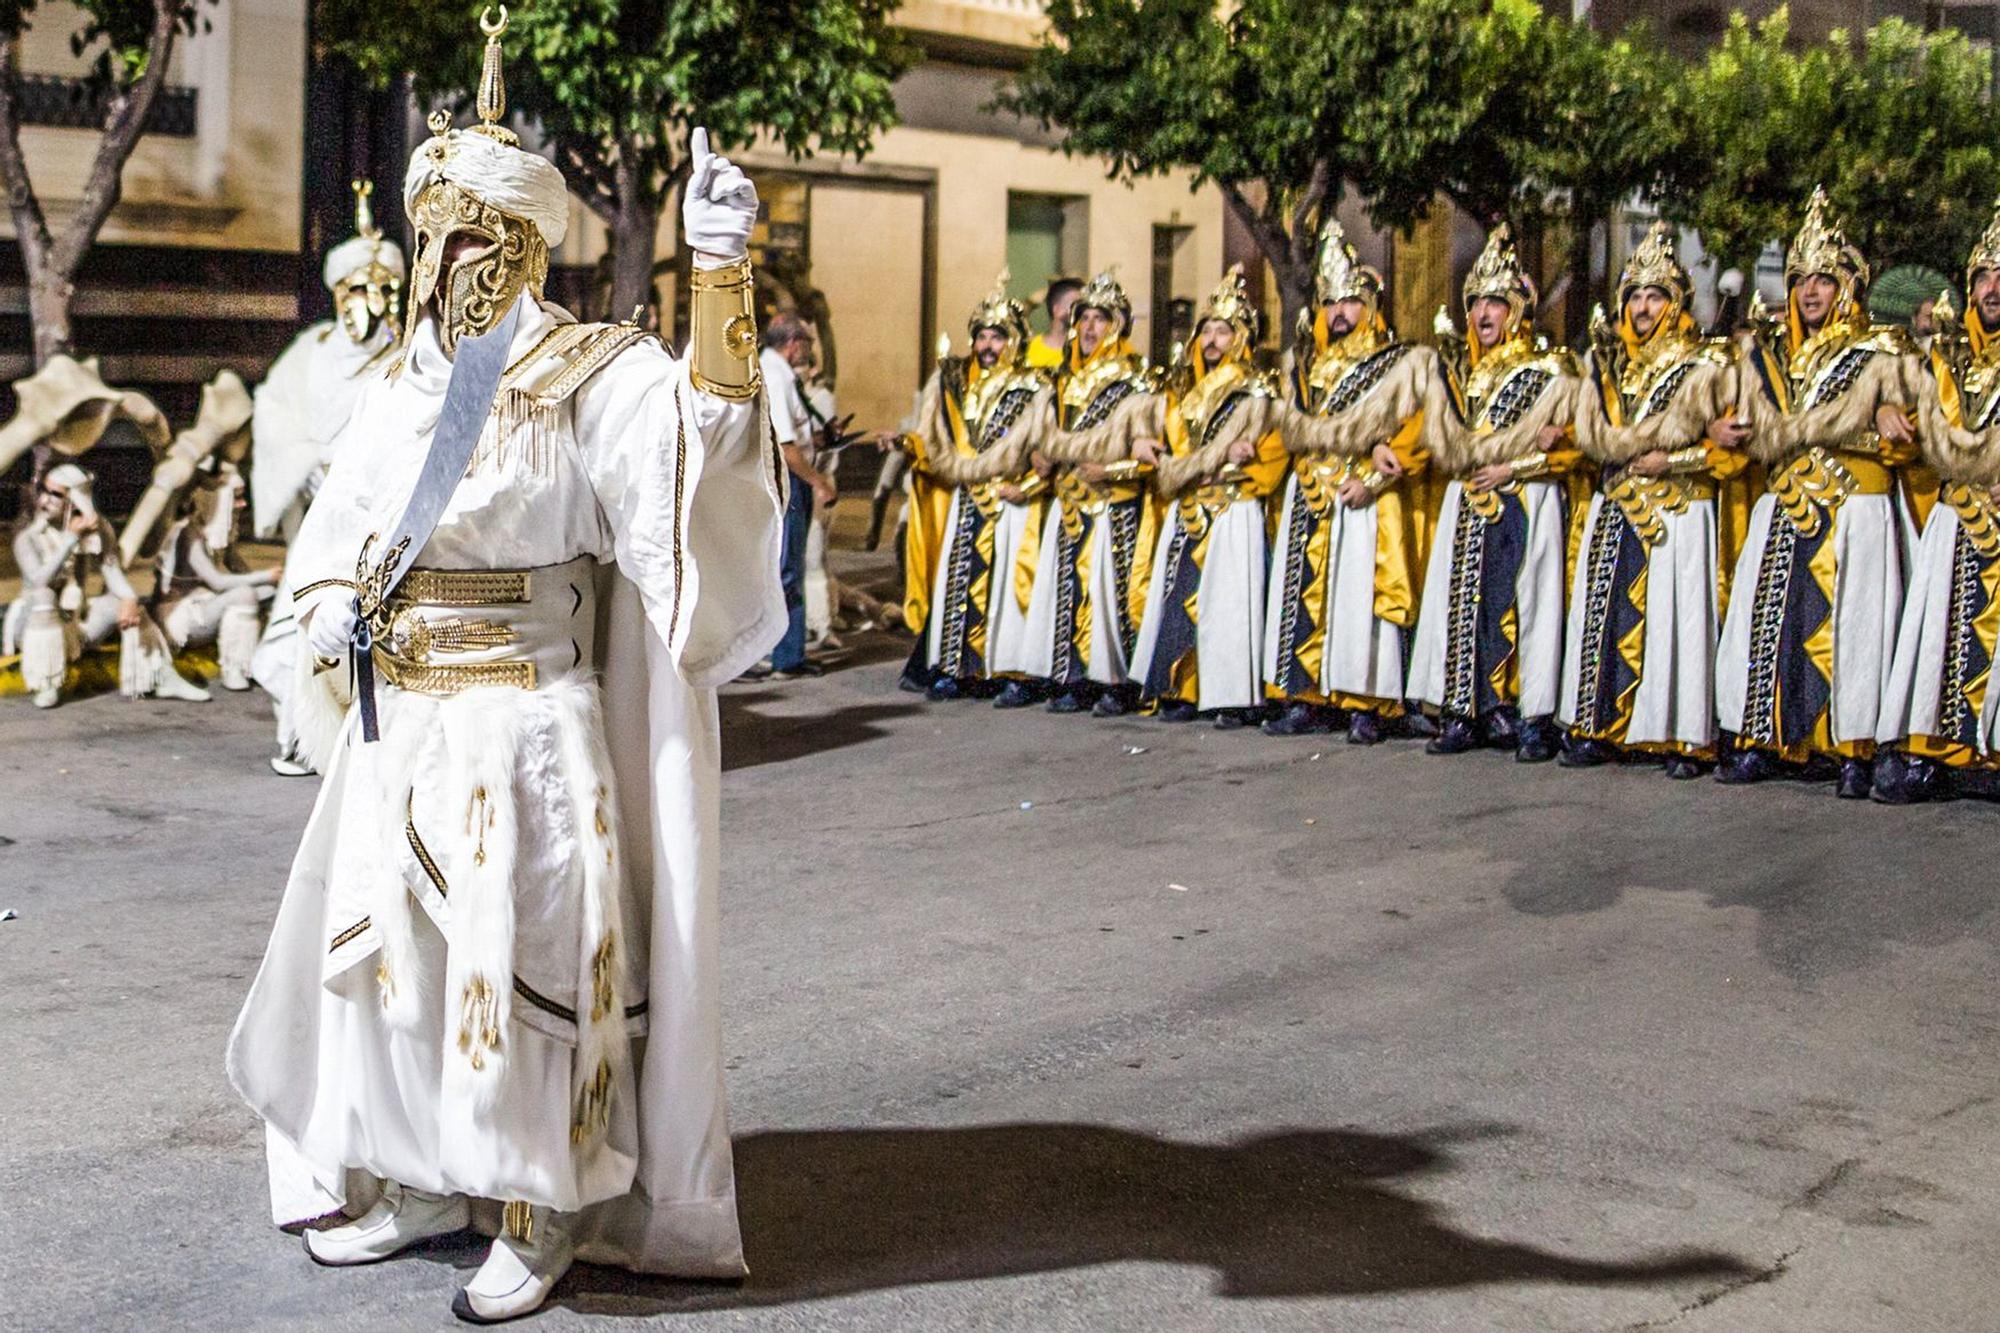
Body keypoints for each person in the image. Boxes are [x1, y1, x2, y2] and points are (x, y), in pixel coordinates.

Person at [225, 13, 783, 1322]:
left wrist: (719, 282)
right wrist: (311, 615)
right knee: (391, 968)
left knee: (518, 975)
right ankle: (422, 1176)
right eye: (438, 230)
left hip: (530, 725)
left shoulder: (598, 372)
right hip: (402, 721)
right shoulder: (405, 385)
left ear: (524, 241)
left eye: (474, 229)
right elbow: (342, 527)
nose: (449, 252)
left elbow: (698, 472)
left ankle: (539, 1205)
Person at [1715, 186, 1924, 798]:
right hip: (1784, 502)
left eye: (1824, 280)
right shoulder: (1768, 355)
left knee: (1855, 629)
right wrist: (1714, 431)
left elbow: (1912, 428)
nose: (1810, 292)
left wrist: (1887, 414)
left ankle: (1854, 748)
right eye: (1802, 279)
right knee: (1768, 620)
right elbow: (1740, 430)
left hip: (1856, 508)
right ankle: (1763, 739)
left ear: (1848, 289)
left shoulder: (1881, 350)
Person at [1558, 222, 1753, 779]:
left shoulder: (1708, 367)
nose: (1643, 307)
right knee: (1605, 615)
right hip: (1617, 503)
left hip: (1678, 510)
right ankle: (1601, 726)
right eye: (1635, 296)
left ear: (1676, 304)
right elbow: (1589, 436)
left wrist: (1677, 459)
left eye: (1654, 295)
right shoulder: (1608, 366)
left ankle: (1682, 736)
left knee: (1678, 625)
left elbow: (1736, 450)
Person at [1407, 224, 1582, 763]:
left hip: (1527, 496)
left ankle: (1532, 715)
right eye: (1476, 303)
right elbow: (1427, 436)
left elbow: (1579, 445)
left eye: (1496, 304)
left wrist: (1520, 464)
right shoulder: (1457, 371)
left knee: (1528, 604)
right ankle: (1466, 710)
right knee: (1467, 605)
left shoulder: (1551, 369)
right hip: (1467, 498)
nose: (1484, 315)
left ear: (1517, 311)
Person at [248, 180, 405, 774]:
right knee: (302, 621)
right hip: (319, 509)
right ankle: (299, 735)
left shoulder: (410, 352)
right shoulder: (310, 351)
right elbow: (275, 411)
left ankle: (360, 741)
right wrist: (309, 464)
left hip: (381, 515)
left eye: (385, 286)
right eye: (361, 287)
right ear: (340, 293)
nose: (374, 297)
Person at [1268, 221, 1444, 743]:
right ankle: (1308, 696)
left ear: (1370, 306)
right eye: (1329, 303)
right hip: (1311, 493)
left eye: (1349, 302)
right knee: (1307, 595)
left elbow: (1422, 430)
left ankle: (1368, 700)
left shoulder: (1402, 363)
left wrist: (1373, 472)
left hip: (1366, 495)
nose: (1338, 314)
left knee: (1362, 600)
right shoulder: (1304, 364)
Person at [1873, 205, 2000, 802]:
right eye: (1983, 276)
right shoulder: (1940, 361)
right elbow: (1907, 440)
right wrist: (1882, 414)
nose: (1993, 287)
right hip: (1955, 517)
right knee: (1940, 642)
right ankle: (1934, 754)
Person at [1127, 265, 1288, 727]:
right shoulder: (1185, 393)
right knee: (1180, 597)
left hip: (1233, 507)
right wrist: (1141, 445)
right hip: (1189, 504)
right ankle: (1180, 686)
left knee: (1229, 605)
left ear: (1241, 338)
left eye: (1224, 330)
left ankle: (1231, 695)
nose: (1213, 339)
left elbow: (1272, 453)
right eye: (1208, 330)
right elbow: (1162, 437)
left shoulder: (1259, 390)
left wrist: (1245, 458)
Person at [883, 274, 1056, 699]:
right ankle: (958, 667)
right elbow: (937, 439)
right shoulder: (961, 386)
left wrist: (1030, 484)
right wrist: (905, 443)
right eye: (982, 337)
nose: (988, 346)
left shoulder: (1036, 388)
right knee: (959, 582)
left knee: (1009, 591)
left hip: (1013, 503)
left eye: (998, 337)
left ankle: (1009, 672)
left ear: (1015, 340)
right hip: (968, 498)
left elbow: (1048, 451)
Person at [1018, 270, 1157, 715]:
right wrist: (1040, 456)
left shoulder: (1137, 383)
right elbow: (1044, 439)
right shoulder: (1060, 381)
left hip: (1113, 506)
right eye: (1085, 317)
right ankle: (1071, 676)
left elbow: (1150, 457)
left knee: (1109, 597)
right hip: (1069, 501)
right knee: (1066, 591)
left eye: (1101, 318)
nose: (1091, 327)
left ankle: (1115, 683)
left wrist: (1112, 467)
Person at [4, 463, 208, 708]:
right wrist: (70, 540)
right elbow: (39, 581)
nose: (45, 500)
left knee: (127, 606)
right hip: (32, 626)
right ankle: (47, 683)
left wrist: (130, 600)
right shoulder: (28, 537)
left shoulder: (97, 530)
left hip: (73, 620)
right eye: (44, 491)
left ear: (75, 501)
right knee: (45, 595)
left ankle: (160, 676)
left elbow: (112, 573)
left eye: (56, 495)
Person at [151, 460, 279, 691]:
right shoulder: (190, 534)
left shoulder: (220, 532)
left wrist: (271, 583)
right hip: (180, 614)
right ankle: (234, 669)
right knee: (245, 594)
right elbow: (217, 582)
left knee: (270, 594)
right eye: (236, 498)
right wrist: (265, 575)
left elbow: (235, 565)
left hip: (205, 602)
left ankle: (259, 661)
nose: (242, 504)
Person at [760, 312, 838, 679]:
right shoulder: (776, 376)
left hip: (783, 480)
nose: (809, 351)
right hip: (788, 484)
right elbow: (786, 445)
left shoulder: (776, 373)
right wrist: (819, 480)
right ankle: (786, 657)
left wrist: (817, 439)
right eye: (807, 343)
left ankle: (782, 652)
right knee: (788, 569)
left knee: (784, 567)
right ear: (793, 344)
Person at [1027, 276, 1083, 371]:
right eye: (1075, 304)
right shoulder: (1030, 350)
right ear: (1056, 310)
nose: (1081, 310)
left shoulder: (1085, 350)